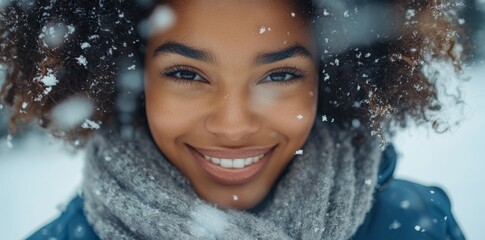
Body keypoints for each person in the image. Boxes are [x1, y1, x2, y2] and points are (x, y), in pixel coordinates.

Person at [0, 0, 467, 239]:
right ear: (129, 76)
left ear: (333, 77)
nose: (233, 125)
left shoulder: (415, 225)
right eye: (186, 73)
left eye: (280, 74)